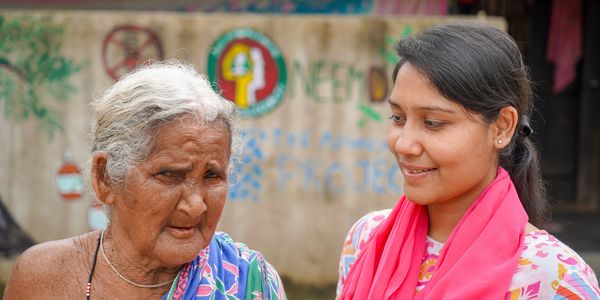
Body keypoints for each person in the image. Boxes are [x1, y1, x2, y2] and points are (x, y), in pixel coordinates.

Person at [337, 22, 600, 299]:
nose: (404, 144)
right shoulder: (367, 240)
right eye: (398, 118)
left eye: (433, 122)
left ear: (501, 127)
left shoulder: (554, 278)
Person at [4, 61, 286, 299]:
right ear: (105, 178)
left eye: (212, 176)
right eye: (169, 175)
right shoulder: (42, 279)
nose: (196, 206)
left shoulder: (251, 283)